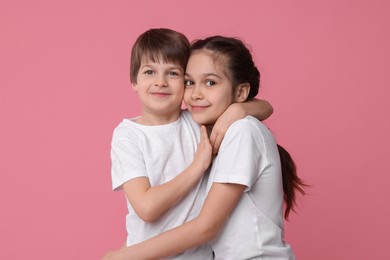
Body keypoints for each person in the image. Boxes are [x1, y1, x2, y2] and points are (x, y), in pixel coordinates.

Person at [102, 35, 306, 260]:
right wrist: (240, 110)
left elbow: (205, 227)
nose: (197, 93)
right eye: (190, 82)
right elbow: (152, 213)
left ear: (240, 92)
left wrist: (121, 257)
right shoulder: (211, 127)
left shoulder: (239, 130)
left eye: (210, 82)